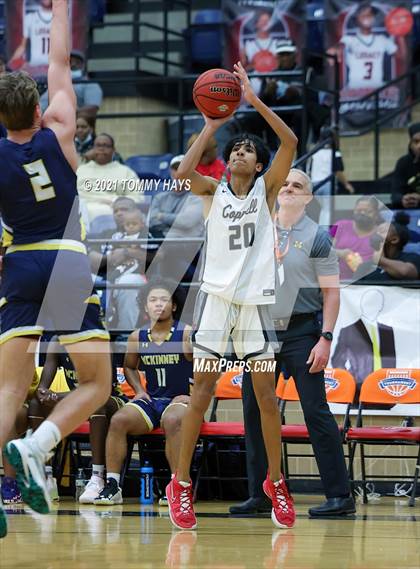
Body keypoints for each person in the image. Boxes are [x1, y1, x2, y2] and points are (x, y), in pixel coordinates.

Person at [166, 61, 298, 531]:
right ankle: (180, 486)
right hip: (216, 305)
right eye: (235, 148)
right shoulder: (211, 191)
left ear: (259, 165)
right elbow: (182, 174)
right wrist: (211, 123)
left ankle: (275, 482)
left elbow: (291, 143)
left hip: (255, 309)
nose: (239, 152)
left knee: (266, 399)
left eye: (246, 150)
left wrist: (253, 100)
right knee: (200, 394)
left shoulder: (265, 191)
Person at [0, 0, 111, 539]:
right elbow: (60, 62)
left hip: (19, 261)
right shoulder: (61, 127)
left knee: (8, 391)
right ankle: (38, 445)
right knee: (96, 380)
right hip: (65, 256)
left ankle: (6, 481)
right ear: (39, 108)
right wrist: (62, 7)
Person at [230, 169, 355, 518]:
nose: (288, 188)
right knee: (254, 413)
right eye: (284, 184)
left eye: (296, 185)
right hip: (261, 332)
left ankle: (339, 496)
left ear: (308, 197)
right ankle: (261, 494)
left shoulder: (317, 236)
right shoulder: (257, 230)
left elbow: (331, 294)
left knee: (316, 412)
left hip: (302, 332)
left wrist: (325, 339)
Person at [94, 279, 192, 505]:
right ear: (145, 307)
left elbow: (206, 368)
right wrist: (138, 390)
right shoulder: (137, 336)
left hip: (181, 402)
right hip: (153, 401)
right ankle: (113, 485)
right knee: (118, 420)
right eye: (153, 300)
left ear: (174, 306)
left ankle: (177, 486)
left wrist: (195, 396)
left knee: (172, 419)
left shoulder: (186, 334)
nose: (159, 304)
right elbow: (129, 366)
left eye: (164, 300)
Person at [27, 336, 127, 503]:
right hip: (76, 402)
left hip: (111, 400)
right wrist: (44, 394)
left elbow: (102, 389)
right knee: (36, 404)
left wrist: (59, 397)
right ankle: (46, 476)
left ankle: (97, 477)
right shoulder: (56, 342)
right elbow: (42, 386)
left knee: (95, 403)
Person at [330, 2, 404, 91]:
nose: (367, 16)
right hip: (355, 90)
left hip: (377, 90)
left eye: (369, 14)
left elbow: (401, 56)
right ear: (357, 20)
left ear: (374, 18)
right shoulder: (349, 39)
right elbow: (340, 46)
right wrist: (335, 48)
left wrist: (401, 36)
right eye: (363, 14)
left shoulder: (382, 39)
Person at [332, 289, 396, 387]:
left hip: (384, 387)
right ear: (362, 305)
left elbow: (391, 359)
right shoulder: (348, 330)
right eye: (369, 304)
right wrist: (349, 380)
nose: (372, 307)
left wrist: (390, 382)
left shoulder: (388, 331)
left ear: (380, 306)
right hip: (358, 387)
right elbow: (337, 360)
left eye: (376, 304)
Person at [76, 133, 141, 224]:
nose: (101, 149)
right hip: (81, 213)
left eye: (105, 146)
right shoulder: (81, 170)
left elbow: (138, 197)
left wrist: (116, 201)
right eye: (98, 145)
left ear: (113, 150)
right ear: (93, 149)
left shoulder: (126, 172)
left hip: (111, 212)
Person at [106, 208, 148, 330]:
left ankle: (124, 339)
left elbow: (156, 254)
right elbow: (112, 253)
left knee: (126, 283)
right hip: (118, 269)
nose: (130, 227)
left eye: (134, 224)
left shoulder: (145, 234)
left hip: (137, 271)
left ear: (142, 224)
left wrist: (128, 250)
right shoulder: (118, 236)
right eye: (127, 224)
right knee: (108, 283)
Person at [149, 154, 204, 239]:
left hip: (184, 244)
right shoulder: (159, 197)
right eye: (176, 168)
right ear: (171, 172)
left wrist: (161, 216)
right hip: (161, 239)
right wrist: (177, 223)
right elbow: (152, 221)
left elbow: (187, 222)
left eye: (183, 169)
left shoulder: (196, 197)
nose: (179, 172)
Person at [355, 214, 420, 282]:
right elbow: (353, 290)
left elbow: (405, 273)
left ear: (394, 239)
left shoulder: (413, 258)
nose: (376, 234)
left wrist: (380, 260)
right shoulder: (365, 266)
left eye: (382, 231)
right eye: (376, 232)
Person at [40, 50, 103, 119]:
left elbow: (92, 109)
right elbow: (41, 108)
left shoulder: (90, 85)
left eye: (77, 62)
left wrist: (67, 114)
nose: (73, 65)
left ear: (83, 66)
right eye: (69, 62)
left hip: (79, 126)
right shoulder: (56, 85)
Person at [332, 196, 381, 280]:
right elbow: (320, 249)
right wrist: (340, 253)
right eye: (358, 210)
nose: (362, 213)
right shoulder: (339, 224)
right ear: (353, 211)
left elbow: (381, 262)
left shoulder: (381, 232)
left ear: (376, 214)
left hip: (366, 282)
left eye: (368, 211)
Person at [308, 126, 355, 196]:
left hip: (314, 184)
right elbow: (338, 171)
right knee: (328, 206)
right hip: (327, 184)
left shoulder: (315, 153)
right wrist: (346, 184)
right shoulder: (335, 153)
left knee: (316, 207)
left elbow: (309, 171)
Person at [9, 0, 53, 71]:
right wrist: (11, 63)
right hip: (34, 68)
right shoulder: (30, 18)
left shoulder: (60, 20)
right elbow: (22, 46)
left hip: (53, 67)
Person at [392, 123, 420, 209]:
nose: (419, 146)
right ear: (410, 144)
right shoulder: (403, 163)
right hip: (410, 213)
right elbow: (395, 193)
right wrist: (402, 199)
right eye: (416, 142)